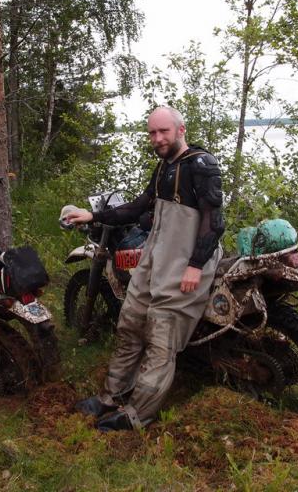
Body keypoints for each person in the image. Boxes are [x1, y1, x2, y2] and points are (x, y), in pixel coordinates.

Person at [65, 106, 225, 431]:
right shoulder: (165, 166)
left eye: (163, 131)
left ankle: (137, 414)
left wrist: (195, 266)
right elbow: (140, 205)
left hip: (186, 263)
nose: (158, 138)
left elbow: (214, 221)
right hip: (156, 258)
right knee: (130, 323)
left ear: (181, 130)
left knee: (161, 339)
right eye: (152, 132)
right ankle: (112, 396)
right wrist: (93, 216)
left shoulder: (201, 165)